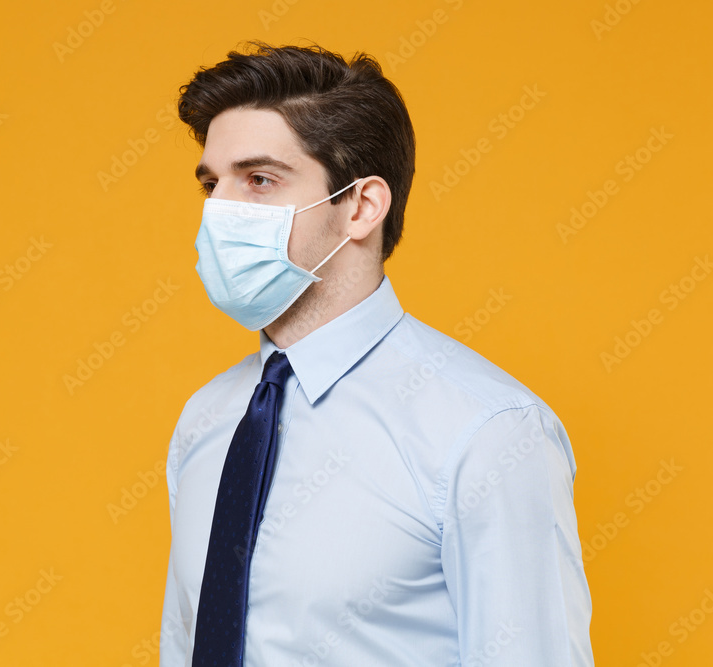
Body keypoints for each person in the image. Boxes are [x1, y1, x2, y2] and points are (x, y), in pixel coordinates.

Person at [160, 41, 593, 666]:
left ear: (361, 207)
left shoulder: (488, 433)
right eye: (211, 183)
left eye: (258, 180)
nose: (220, 209)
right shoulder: (206, 420)